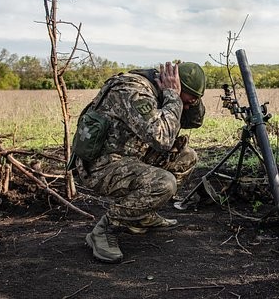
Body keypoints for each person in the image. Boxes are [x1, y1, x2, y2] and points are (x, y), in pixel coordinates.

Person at [72, 61, 206, 263]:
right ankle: (105, 229)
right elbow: (163, 138)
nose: (186, 107)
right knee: (163, 183)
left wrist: (189, 101)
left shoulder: (161, 91)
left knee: (186, 158)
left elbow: (193, 122)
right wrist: (173, 96)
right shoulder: (133, 90)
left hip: (129, 156)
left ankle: (141, 214)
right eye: (186, 101)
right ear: (173, 87)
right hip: (101, 165)